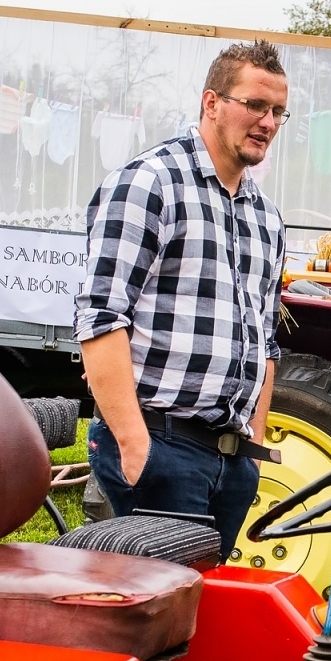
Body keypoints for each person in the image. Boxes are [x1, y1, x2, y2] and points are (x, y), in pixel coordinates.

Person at [76, 40, 288, 557]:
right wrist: (133, 444)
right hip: (160, 443)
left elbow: (265, 341)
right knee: (149, 619)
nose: (267, 122)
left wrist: (253, 449)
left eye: (279, 111)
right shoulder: (150, 183)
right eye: (255, 105)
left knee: (206, 616)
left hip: (232, 458)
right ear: (211, 103)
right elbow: (101, 318)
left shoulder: (267, 216)